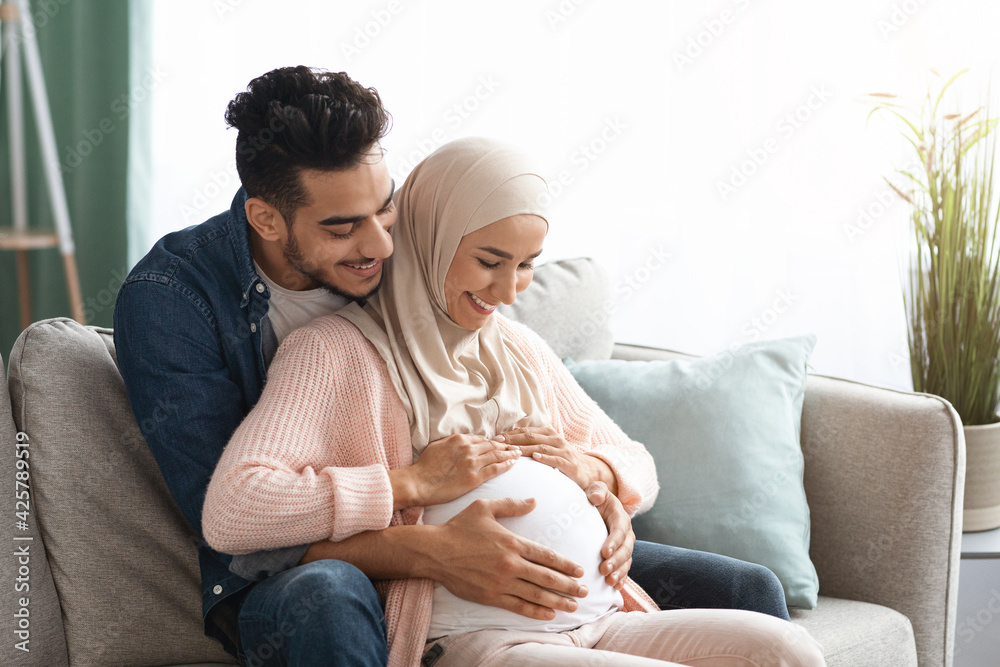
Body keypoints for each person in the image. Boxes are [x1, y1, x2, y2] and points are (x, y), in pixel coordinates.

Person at [114, 66, 788, 665]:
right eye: (344, 226)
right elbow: (238, 526)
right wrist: (423, 534)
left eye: (386, 210)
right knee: (329, 594)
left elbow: (610, 447)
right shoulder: (176, 302)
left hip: (526, 578)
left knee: (747, 591)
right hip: (300, 574)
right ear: (266, 219)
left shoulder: (435, 286)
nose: (383, 247)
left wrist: (596, 483)